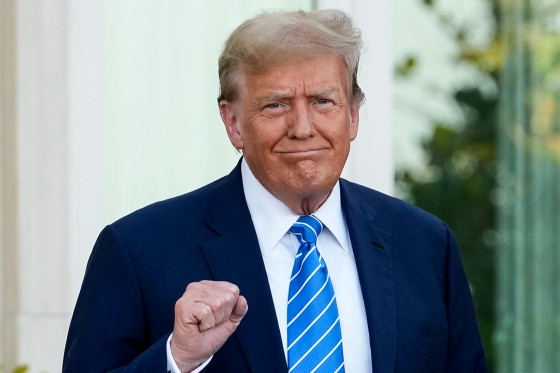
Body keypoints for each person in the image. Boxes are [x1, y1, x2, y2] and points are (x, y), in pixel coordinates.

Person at [63, 9, 487, 373]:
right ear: (233, 123)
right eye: (276, 105)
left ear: (353, 116)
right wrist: (177, 359)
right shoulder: (138, 251)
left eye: (323, 101)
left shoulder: (425, 245)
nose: (302, 128)